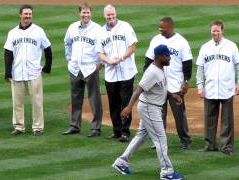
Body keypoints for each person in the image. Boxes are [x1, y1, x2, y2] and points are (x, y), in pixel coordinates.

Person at [112, 44, 184, 180]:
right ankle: (167, 173)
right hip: (150, 109)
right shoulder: (152, 72)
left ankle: (121, 162)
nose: (169, 58)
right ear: (159, 57)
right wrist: (128, 107)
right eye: (167, 56)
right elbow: (139, 90)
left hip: (150, 107)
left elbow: (159, 87)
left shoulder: (159, 68)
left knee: (140, 136)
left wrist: (172, 95)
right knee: (161, 140)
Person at [196, 20, 239, 155]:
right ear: (210, 31)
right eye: (213, 30)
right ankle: (210, 145)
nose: (215, 33)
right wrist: (200, 86)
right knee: (209, 119)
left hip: (227, 88)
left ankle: (227, 147)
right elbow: (200, 68)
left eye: (217, 30)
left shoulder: (231, 46)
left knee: (227, 120)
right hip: (210, 88)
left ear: (222, 31)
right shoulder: (205, 47)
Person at [143, 16, 193, 149]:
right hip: (158, 85)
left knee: (179, 115)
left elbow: (187, 64)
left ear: (170, 27)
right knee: (158, 115)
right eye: (159, 28)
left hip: (175, 85)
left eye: (163, 28)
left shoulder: (181, 42)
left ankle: (185, 140)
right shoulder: (156, 40)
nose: (160, 30)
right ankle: (158, 141)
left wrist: (186, 81)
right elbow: (148, 61)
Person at [4, 4, 52, 136]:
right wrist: (8, 72)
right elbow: (8, 52)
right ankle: (19, 126)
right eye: (25, 14)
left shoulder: (39, 31)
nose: (28, 16)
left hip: (34, 72)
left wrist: (47, 66)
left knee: (37, 102)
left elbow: (47, 48)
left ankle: (37, 127)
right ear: (20, 14)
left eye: (30, 14)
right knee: (17, 102)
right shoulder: (13, 33)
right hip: (17, 72)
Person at [97, 4, 138, 142]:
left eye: (112, 14)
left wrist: (121, 58)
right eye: (108, 15)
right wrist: (108, 60)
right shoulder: (101, 32)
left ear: (116, 13)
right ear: (104, 16)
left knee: (125, 102)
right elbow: (100, 53)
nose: (111, 17)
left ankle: (125, 132)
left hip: (127, 72)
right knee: (113, 103)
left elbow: (132, 47)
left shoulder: (126, 27)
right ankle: (116, 130)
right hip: (111, 74)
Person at [62, 2, 104, 137]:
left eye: (88, 12)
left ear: (91, 13)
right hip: (75, 68)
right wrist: (69, 59)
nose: (85, 15)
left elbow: (103, 47)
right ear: (79, 13)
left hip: (90, 68)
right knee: (75, 98)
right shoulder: (72, 27)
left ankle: (96, 128)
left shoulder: (97, 29)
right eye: (83, 12)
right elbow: (67, 43)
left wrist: (99, 63)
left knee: (94, 99)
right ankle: (75, 125)